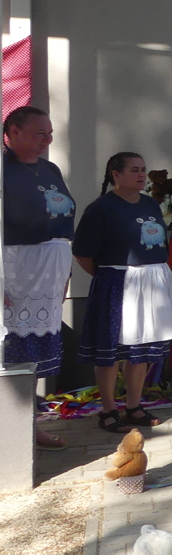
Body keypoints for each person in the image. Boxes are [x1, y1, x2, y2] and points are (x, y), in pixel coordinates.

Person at [73, 151, 172, 432]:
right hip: (117, 283)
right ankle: (108, 410)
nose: (142, 175)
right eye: (134, 170)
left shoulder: (150, 204)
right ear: (116, 175)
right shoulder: (102, 208)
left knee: (140, 350)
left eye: (143, 169)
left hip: (151, 284)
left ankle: (134, 406)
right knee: (110, 351)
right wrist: (109, 278)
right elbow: (82, 252)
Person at [2, 106, 76, 450]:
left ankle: (28, 428)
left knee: (32, 356)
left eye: (50, 134)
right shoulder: (2, 169)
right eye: (39, 134)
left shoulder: (50, 169)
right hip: (17, 270)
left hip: (50, 273)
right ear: (13, 133)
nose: (46, 140)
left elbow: (63, 227)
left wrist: (64, 276)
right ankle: (10, 432)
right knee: (13, 352)